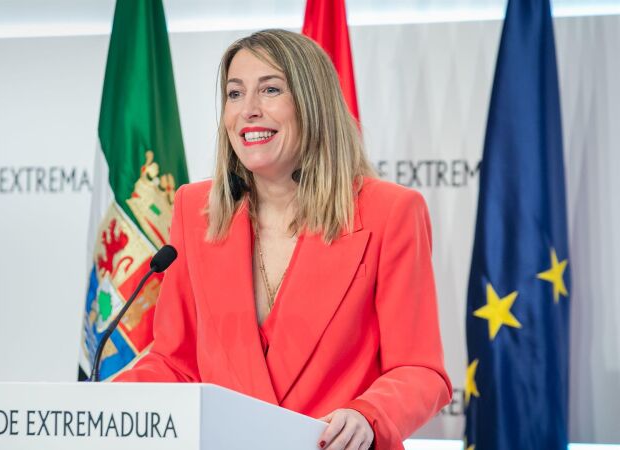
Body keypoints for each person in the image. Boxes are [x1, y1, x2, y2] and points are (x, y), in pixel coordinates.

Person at [115, 29, 451, 450]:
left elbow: (420, 371)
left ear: (313, 104)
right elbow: (175, 363)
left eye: (270, 89)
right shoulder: (194, 210)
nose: (248, 110)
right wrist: (101, 406)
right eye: (235, 94)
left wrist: (367, 414)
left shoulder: (391, 212)